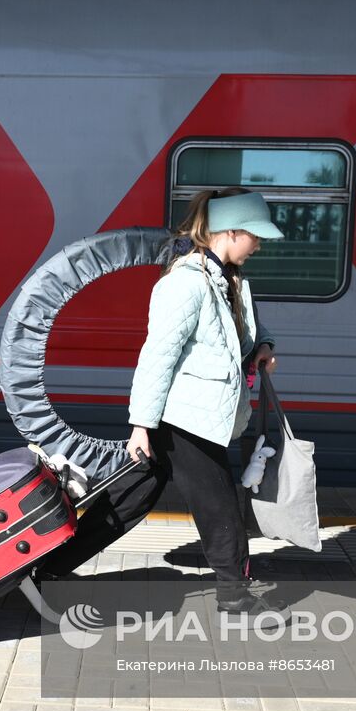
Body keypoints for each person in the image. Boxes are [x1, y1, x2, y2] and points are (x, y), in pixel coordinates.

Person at [125, 189, 280, 614]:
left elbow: (247, 326)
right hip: (182, 419)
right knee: (220, 508)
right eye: (256, 236)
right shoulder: (186, 283)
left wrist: (263, 343)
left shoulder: (230, 279)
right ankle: (235, 598)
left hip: (209, 417)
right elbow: (158, 354)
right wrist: (141, 424)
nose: (259, 245)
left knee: (128, 497)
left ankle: (51, 561)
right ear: (231, 231)